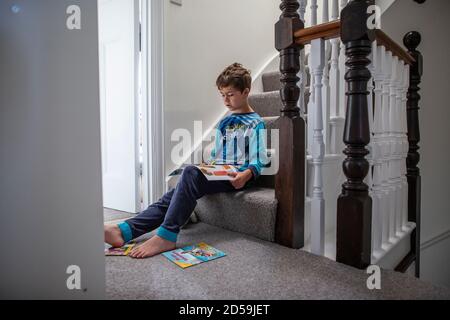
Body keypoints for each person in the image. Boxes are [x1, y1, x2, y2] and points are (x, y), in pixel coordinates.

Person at [104, 63, 268, 259]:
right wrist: (208, 167)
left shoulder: (256, 123)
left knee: (190, 173)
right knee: (176, 191)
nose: (225, 99)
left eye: (230, 94)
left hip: (237, 175)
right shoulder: (225, 122)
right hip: (220, 170)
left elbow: (260, 158)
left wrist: (246, 174)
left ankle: (167, 235)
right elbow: (217, 154)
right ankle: (125, 230)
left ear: (246, 92)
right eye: (222, 94)